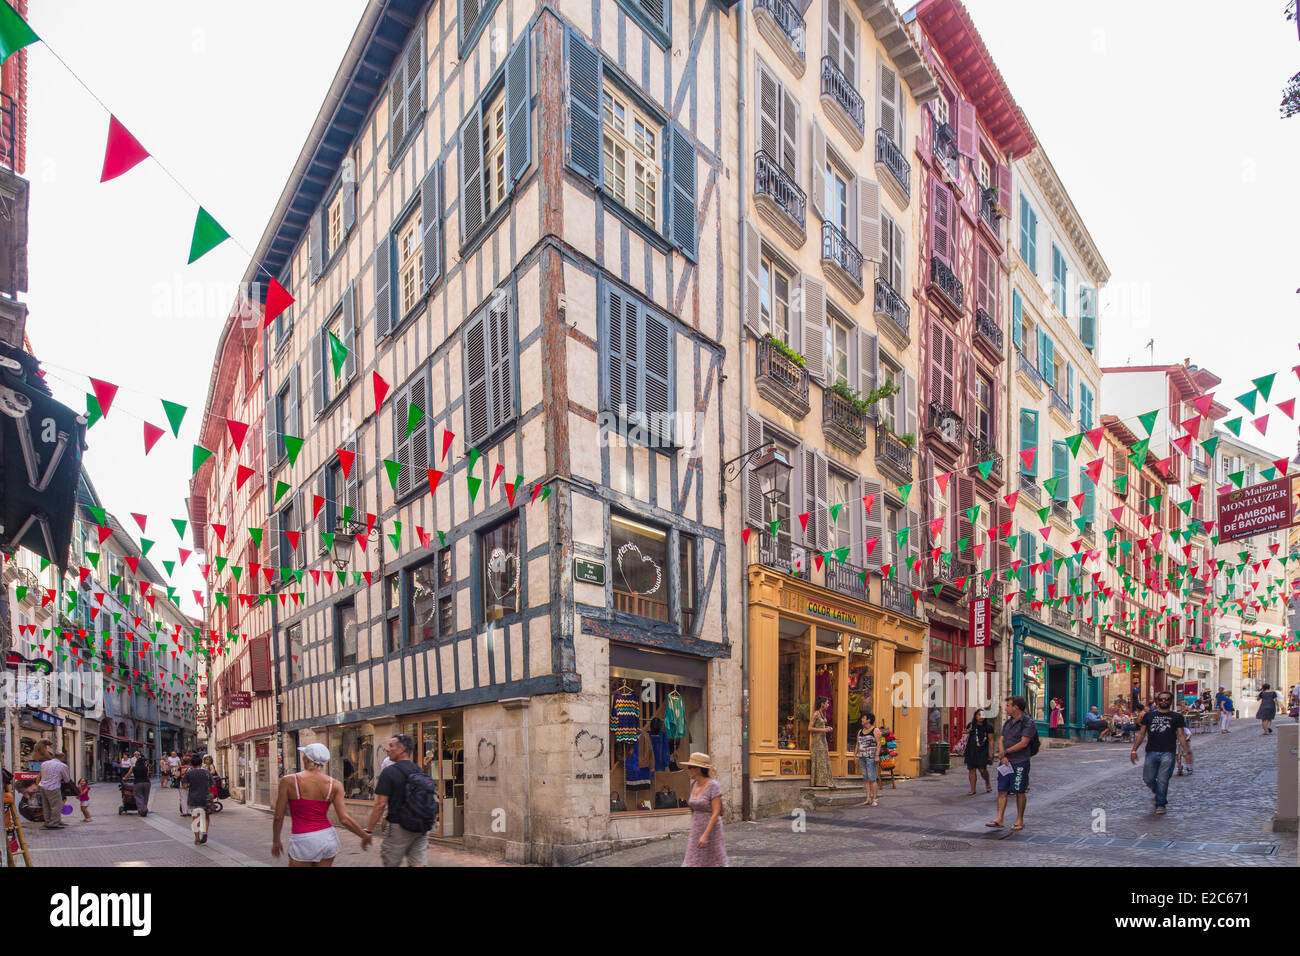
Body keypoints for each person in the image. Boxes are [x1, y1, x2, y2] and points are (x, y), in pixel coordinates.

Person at [272, 743, 371, 865]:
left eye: (304, 755)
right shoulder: (335, 784)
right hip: (327, 838)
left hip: (303, 839)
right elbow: (344, 819)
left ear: (306, 759)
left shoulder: (288, 781)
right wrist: (364, 835)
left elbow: (278, 816)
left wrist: (276, 840)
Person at [365, 735, 434, 867]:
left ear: (401, 749)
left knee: (391, 862)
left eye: (391, 745)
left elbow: (380, 804)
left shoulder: (389, 772)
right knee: (418, 863)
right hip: (421, 826)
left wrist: (369, 830)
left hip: (398, 827)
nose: (387, 749)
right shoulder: (418, 770)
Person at [1130, 691, 1192, 814]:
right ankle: (1158, 793)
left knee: (1163, 779)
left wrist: (1187, 753)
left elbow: (1180, 735)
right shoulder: (1149, 716)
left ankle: (1160, 804)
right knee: (1148, 778)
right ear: (1158, 701)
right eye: (1162, 699)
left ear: (1171, 701)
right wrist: (1133, 750)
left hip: (1168, 752)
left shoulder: (1177, 717)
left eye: (1167, 699)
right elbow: (1142, 734)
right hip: (1151, 751)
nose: (1164, 701)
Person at [987, 696, 1034, 832]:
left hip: (1020, 761)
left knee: (1019, 791)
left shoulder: (1027, 722)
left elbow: (1023, 743)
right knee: (1002, 790)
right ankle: (999, 818)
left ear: (1016, 707)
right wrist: (1002, 755)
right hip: (1005, 763)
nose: (1006, 708)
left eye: (1008, 705)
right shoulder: (1008, 723)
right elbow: (1001, 739)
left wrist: (1005, 752)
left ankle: (1019, 819)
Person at [680, 752, 727, 867]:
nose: (688, 769)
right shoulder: (693, 784)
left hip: (711, 830)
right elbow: (693, 808)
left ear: (698, 769)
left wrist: (705, 835)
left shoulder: (713, 785)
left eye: (690, 767)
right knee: (692, 860)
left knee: (714, 861)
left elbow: (716, 813)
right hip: (697, 829)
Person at [37, 750, 71, 829]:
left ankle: (47, 822)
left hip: (42, 786)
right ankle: (53, 823)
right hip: (53, 787)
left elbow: (41, 775)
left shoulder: (44, 764)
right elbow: (67, 779)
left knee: (46, 806)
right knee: (56, 806)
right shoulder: (62, 766)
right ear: (62, 757)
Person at [182, 755, 212, 845]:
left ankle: (197, 838)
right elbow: (211, 784)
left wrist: (191, 785)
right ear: (201, 763)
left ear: (192, 764)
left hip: (194, 797)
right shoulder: (206, 772)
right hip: (205, 797)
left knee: (196, 818)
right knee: (206, 816)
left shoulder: (189, 773)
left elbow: (184, 786)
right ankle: (205, 832)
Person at [855, 713, 882, 807]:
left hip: (871, 757)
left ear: (868, 720)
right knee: (866, 779)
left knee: (872, 778)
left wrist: (877, 756)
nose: (861, 719)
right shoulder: (860, 731)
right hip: (862, 757)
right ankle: (868, 799)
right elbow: (857, 744)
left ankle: (874, 799)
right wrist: (855, 755)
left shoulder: (875, 730)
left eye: (863, 718)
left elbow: (879, 744)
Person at [809, 696, 833, 789]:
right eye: (827, 703)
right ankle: (823, 782)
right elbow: (810, 728)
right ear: (822, 704)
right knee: (820, 760)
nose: (828, 705)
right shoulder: (816, 714)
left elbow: (822, 726)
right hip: (817, 740)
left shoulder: (823, 713)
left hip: (823, 740)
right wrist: (823, 729)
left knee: (824, 759)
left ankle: (825, 781)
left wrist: (828, 728)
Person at [128, 750, 151, 816]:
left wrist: (124, 778)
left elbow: (128, 775)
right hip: (146, 783)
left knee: (138, 796)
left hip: (138, 783)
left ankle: (142, 809)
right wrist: (146, 766)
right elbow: (147, 774)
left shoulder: (134, 768)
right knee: (145, 797)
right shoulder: (146, 768)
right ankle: (144, 808)